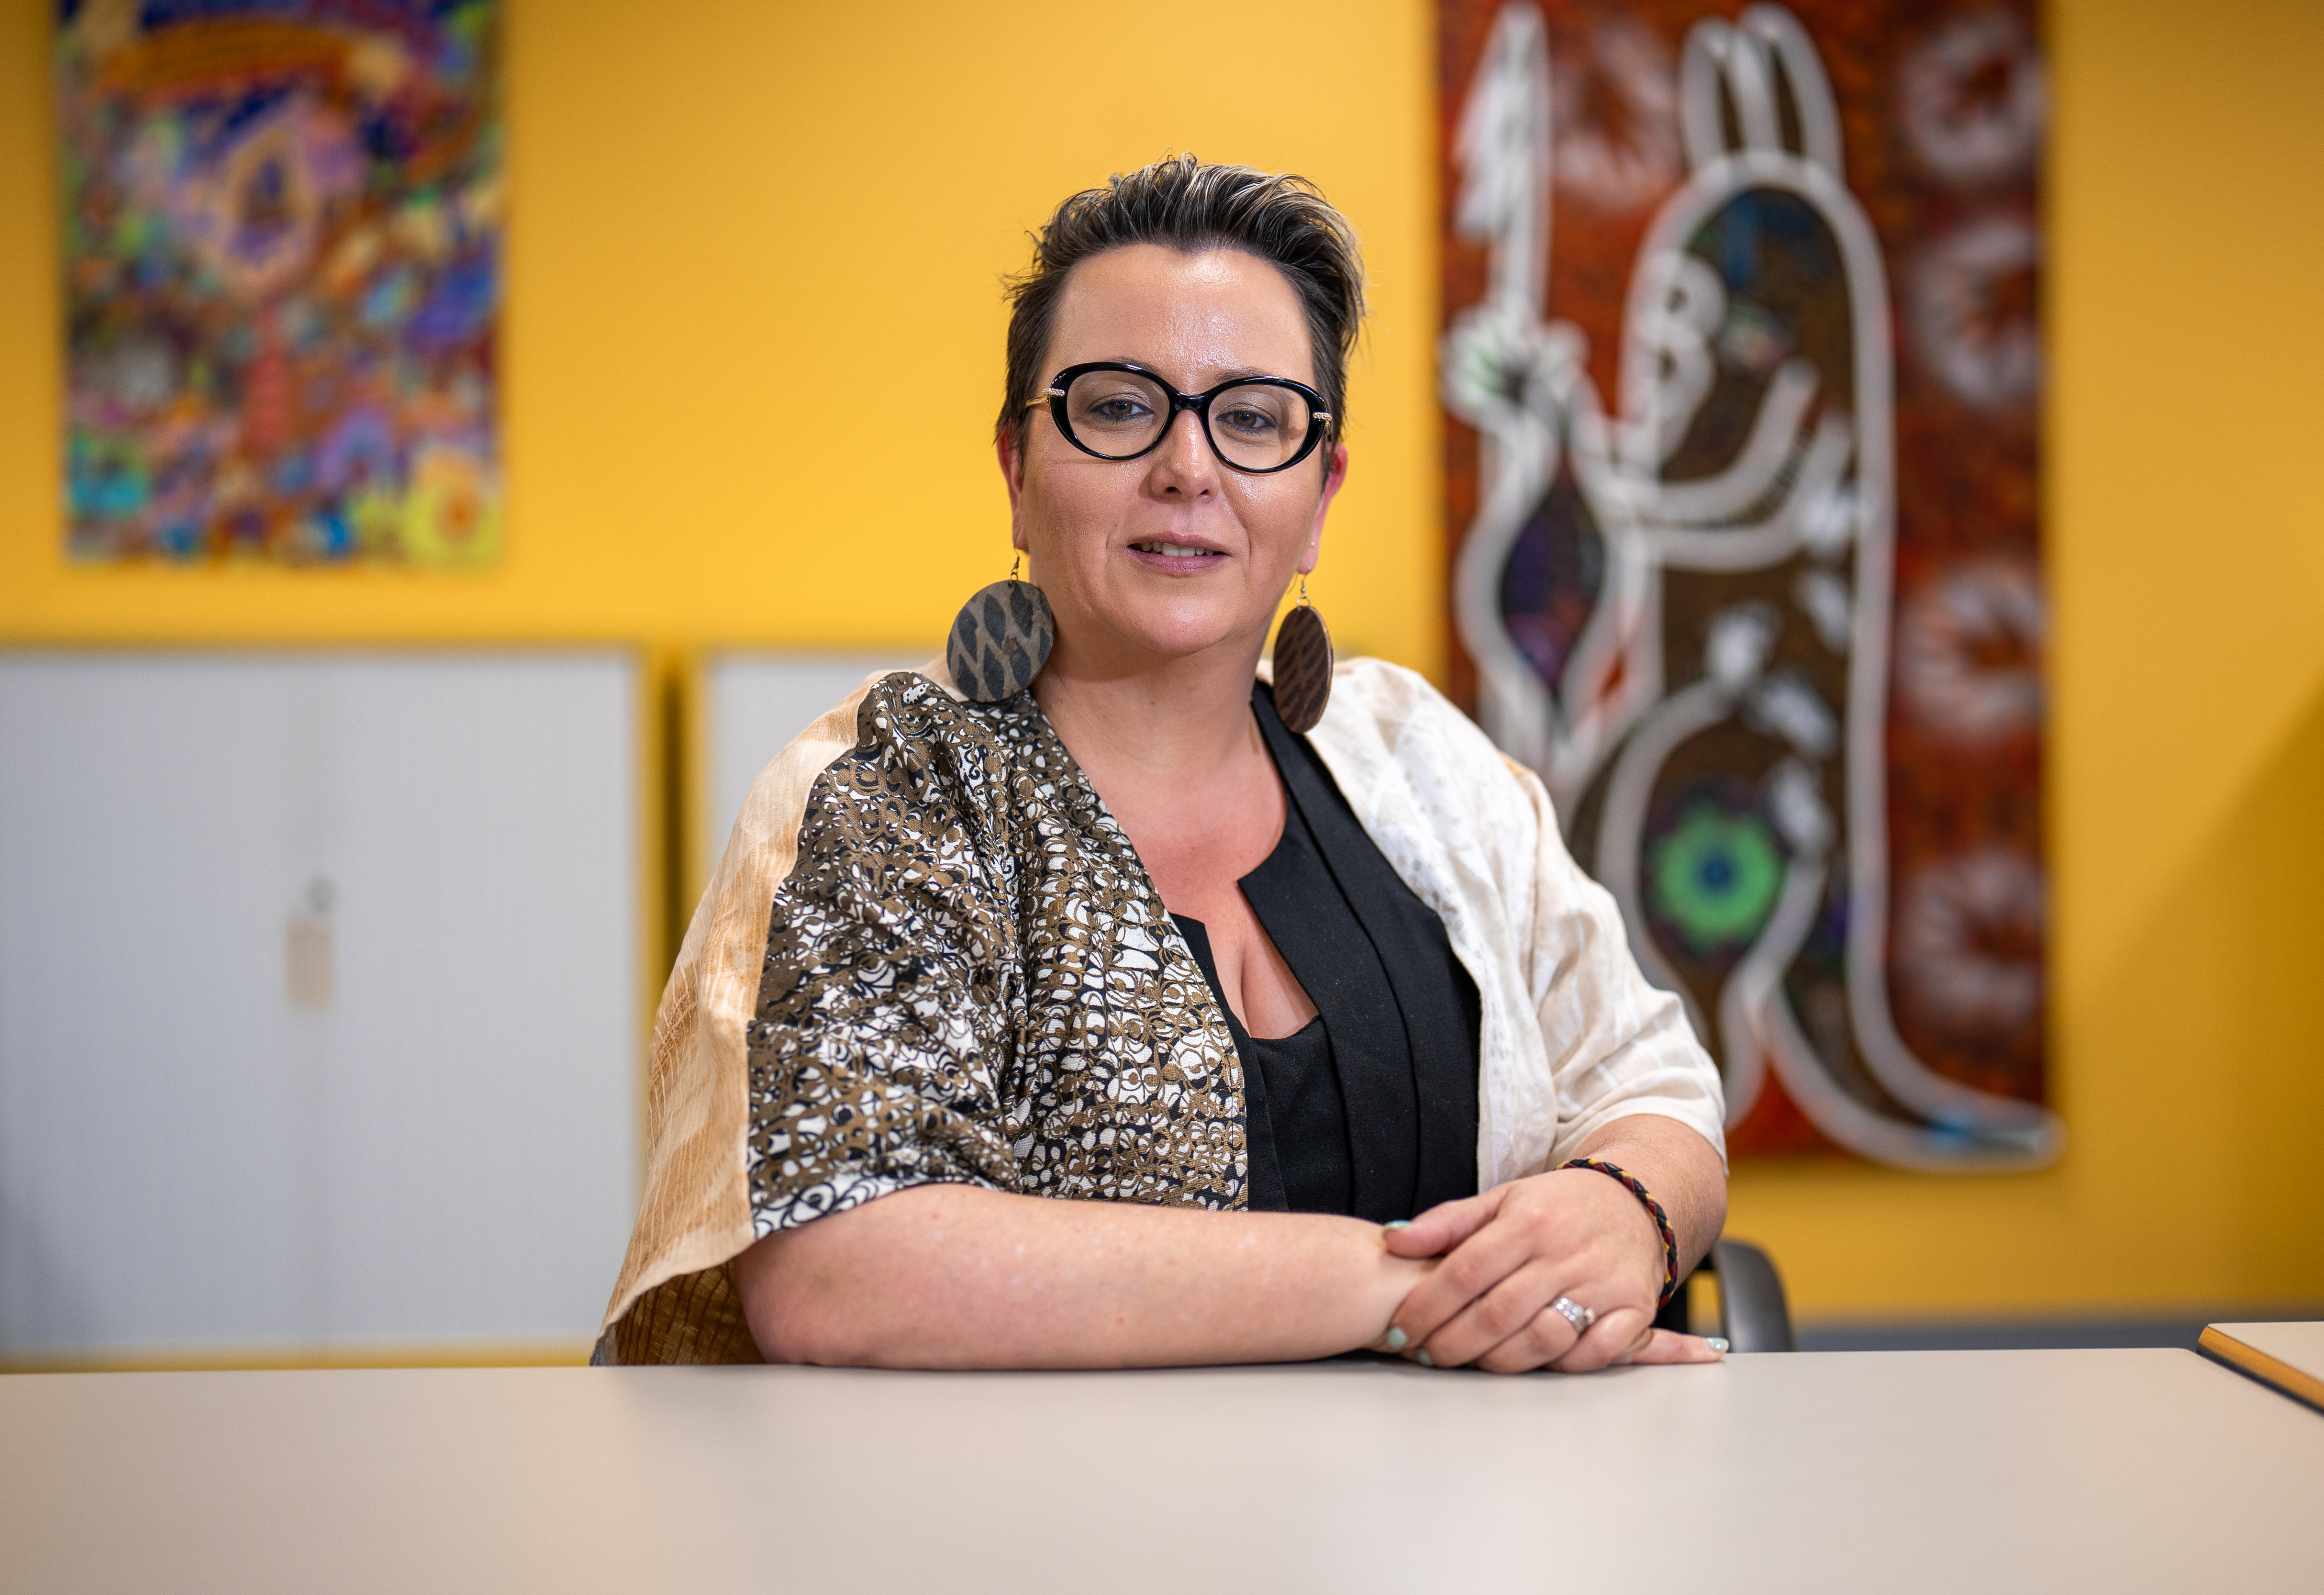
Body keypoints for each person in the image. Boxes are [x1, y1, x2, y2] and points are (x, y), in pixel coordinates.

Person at [595, 155, 1727, 1373]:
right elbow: (841, 1266)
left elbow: (1645, 1074)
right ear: (1018, 472)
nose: (1189, 467)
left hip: (1438, 1543)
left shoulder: (1417, 758)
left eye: (1251, 418)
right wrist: (1415, 1284)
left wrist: (1627, 1208)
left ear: (1320, 491)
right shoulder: (894, 791)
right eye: (1121, 406)